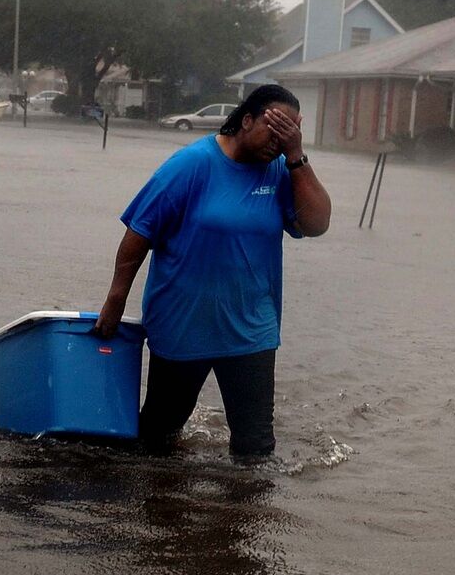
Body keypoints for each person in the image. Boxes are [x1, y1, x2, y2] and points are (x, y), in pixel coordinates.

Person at [93, 84, 332, 458]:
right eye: (274, 130)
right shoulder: (191, 165)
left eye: (288, 135)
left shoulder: (280, 171)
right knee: (158, 437)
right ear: (247, 120)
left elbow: (317, 224)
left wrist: (296, 156)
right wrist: (116, 299)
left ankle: (246, 498)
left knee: (255, 447)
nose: (279, 143)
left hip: (251, 327)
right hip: (183, 323)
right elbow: (139, 233)